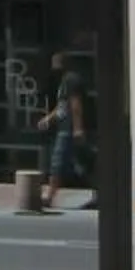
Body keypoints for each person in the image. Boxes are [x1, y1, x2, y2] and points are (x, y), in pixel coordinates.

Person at [38, 57, 93, 210]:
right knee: (83, 163)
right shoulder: (64, 81)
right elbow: (62, 106)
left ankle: (49, 197)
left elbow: (75, 104)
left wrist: (77, 128)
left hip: (69, 129)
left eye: (57, 61)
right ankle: (98, 195)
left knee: (58, 162)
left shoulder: (71, 80)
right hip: (65, 128)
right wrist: (48, 119)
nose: (54, 65)